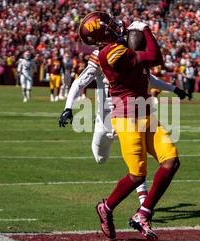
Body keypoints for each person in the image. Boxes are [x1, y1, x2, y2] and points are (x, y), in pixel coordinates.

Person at [78, 12, 181, 241]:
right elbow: (154, 57)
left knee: (171, 160)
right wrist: (145, 29)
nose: (116, 25)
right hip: (126, 118)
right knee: (137, 175)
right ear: (103, 32)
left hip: (146, 113)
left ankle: (143, 213)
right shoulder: (111, 52)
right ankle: (106, 207)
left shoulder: (119, 47)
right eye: (110, 24)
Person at [59, 48, 186, 206]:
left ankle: (144, 204)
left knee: (137, 162)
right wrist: (68, 107)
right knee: (100, 158)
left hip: (127, 116)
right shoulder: (101, 55)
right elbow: (80, 82)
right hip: (104, 121)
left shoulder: (130, 54)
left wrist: (174, 89)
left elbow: (149, 78)